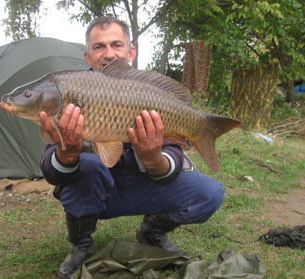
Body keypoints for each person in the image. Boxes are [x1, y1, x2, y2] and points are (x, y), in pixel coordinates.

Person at [39, 16, 224, 279]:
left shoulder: (148, 90)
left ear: (130, 51)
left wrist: (152, 157)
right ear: (87, 56)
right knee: (88, 164)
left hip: (145, 189)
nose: (109, 54)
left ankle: (152, 231)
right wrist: (67, 153)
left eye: (116, 44)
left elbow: (171, 164)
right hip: (96, 192)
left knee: (210, 192)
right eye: (99, 47)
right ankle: (80, 246)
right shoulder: (70, 90)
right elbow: (51, 171)